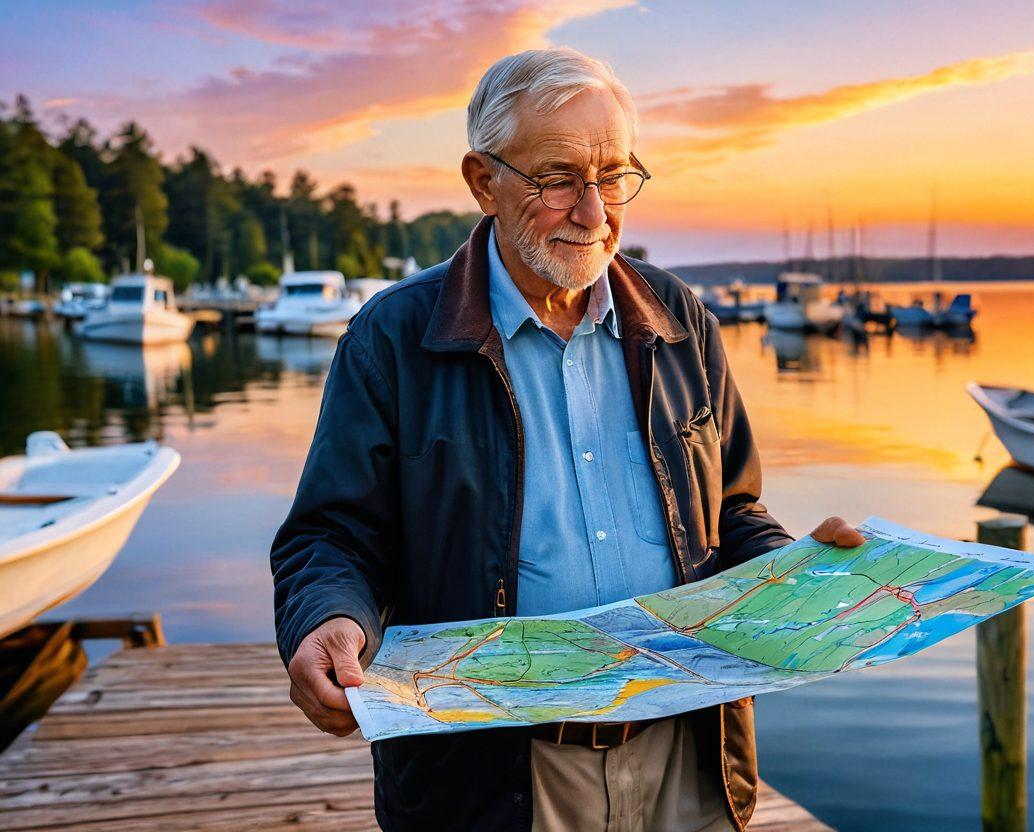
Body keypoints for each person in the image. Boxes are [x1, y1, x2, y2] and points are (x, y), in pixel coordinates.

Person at [270, 46, 865, 832]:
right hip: (492, 771)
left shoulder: (679, 318)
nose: (595, 210)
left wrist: (797, 576)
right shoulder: (393, 338)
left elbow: (733, 512)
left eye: (614, 175)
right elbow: (332, 534)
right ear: (483, 182)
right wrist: (327, 616)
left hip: (690, 757)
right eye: (558, 179)